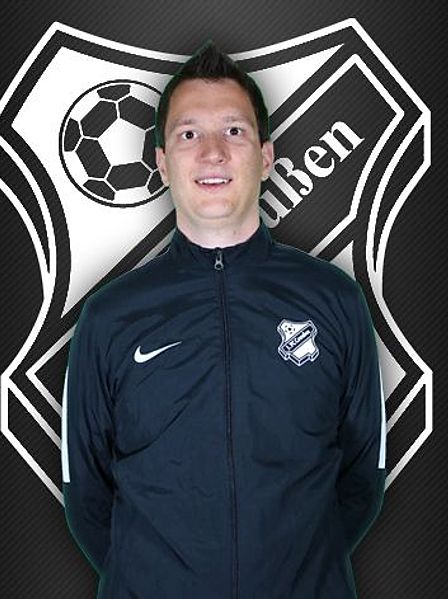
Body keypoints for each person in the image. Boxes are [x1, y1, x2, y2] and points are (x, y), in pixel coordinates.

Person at [61, 41, 386, 598]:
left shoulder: (336, 300)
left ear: (266, 156)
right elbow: (85, 494)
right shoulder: (110, 316)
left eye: (234, 131)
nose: (212, 152)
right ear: (162, 162)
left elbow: (363, 477)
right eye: (189, 134)